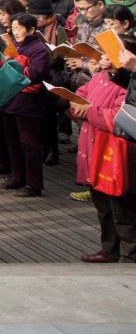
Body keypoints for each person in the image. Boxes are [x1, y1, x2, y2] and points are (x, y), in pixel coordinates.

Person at [73, 42, 136, 263]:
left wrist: (89, 110)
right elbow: (80, 95)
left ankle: (131, 254)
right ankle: (109, 248)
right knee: (103, 206)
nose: (104, 57)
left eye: (112, 53)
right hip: (93, 148)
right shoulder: (100, 76)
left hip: (116, 152)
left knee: (122, 208)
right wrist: (77, 106)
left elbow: (119, 117)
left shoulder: (127, 82)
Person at [1, 12, 50, 197]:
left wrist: (14, 65)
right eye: (13, 28)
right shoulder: (13, 45)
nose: (16, 32)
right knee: (12, 141)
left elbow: (35, 73)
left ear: (31, 29)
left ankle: (34, 184)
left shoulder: (39, 49)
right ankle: (17, 176)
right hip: (11, 98)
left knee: (29, 144)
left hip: (29, 101)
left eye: (19, 28)